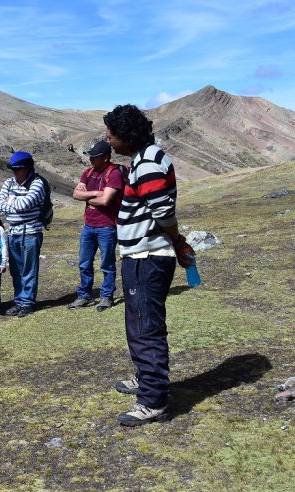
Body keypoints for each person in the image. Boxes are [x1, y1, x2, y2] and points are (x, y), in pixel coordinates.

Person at [104, 104, 196, 426]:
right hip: (139, 255)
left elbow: (163, 213)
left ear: (126, 136)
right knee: (139, 323)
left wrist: (179, 240)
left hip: (147, 255)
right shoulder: (143, 160)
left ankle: (153, 400)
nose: (108, 140)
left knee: (145, 327)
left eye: (111, 134)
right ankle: (146, 378)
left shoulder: (149, 164)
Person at [69, 140, 124, 311]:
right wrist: (94, 193)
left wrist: (87, 196)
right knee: (84, 263)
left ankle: (106, 296)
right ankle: (84, 295)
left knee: (107, 264)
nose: (91, 160)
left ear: (106, 158)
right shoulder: (88, 173)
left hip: (107, 226)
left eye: (95, 157)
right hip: (89, 225)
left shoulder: (114, 173)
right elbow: (76, 194)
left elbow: (106, 200)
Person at [0, 151, 47, 317]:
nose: (15, 172)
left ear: (27, 168)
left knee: (29, 269)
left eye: (18, 169)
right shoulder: (9, 182)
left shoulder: (37, 183)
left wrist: (10, 202)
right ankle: (19, 301)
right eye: (13, 169)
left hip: (31, 231)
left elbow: (25, 204)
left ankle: (27, 302)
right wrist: (12, 204)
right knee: (16, 270)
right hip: (13, 232)